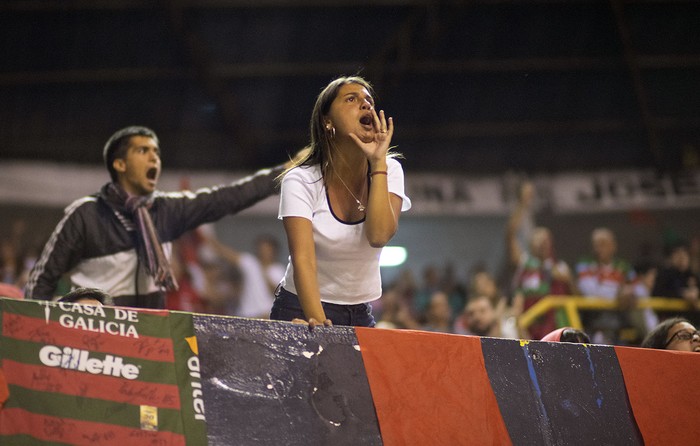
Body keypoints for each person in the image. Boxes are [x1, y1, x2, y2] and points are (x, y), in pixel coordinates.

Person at [25, 125, 301, 309]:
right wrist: (37, 336)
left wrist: (284, 170)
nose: (154, 158)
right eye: (143, 151)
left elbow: (229, 197)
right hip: (94, 340)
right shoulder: (86, 214)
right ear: (119, 165)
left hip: (147, 339)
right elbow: (41, 280)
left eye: (156, 152)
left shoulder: (167, 211)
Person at [270, 76, 411, 327]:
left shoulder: (390, 169)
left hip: (359, 313)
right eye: (351, 99)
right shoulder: (301, 180)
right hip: (300, 306)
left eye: (369, 100)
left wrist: (378, 164)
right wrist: (318, 322)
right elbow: (303, 259)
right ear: (327, 122)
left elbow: (379, 236)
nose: (366, 104)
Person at [575, 228, 643, 344]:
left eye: (602, 244)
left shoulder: (623, 266)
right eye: (595, 245)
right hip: (592, 321)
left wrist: (629, 290)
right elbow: (588, 291)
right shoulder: (584, 265)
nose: (598, 249)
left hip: (619, 322)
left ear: (613, 246)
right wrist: (618, 291)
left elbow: (640, 290)